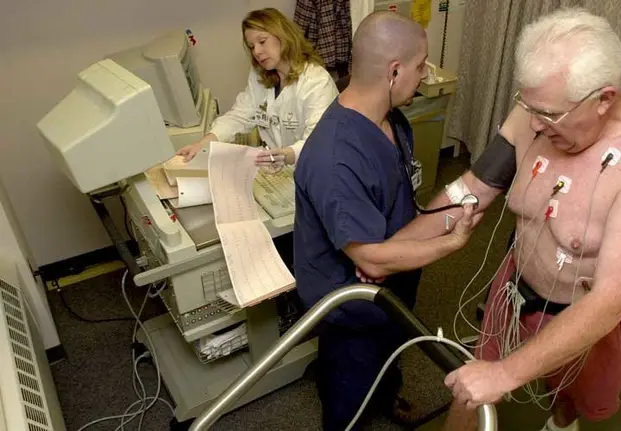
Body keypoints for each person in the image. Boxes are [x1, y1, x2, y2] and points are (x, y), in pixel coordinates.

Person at [391, 7, 621, 431]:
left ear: (603, 99)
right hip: (515, 290)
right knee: (471, 391)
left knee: (572, 398)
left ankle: (560, 422)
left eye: (549, 115)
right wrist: (390, 252)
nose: (533, 124)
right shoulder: (536, 111)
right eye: (527, 106)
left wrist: (506, 375)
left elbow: (611, 297)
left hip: (585, 312)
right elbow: (470, 189)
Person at [292, 11, 483, 431]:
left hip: (395, 283)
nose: (425, 73)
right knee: (349, 390)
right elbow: (373, 261)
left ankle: (386, 390)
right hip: (351, 303)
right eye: (421, 65)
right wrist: (450, 243)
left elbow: (398, 199)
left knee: (390, 350)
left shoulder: (392, 120)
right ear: (394, 71)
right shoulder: (336, 156)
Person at [177, 8, 337, 170]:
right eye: (252, 47)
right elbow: (240, 116)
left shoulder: (316, 82)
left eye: (262, 41)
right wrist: (202, 144)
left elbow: (319, 142)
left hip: (310, 169)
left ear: (284, 36)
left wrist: (286, 155)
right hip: (277, 168)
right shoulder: (261, 75)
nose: (257, 52)